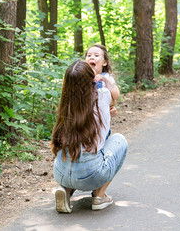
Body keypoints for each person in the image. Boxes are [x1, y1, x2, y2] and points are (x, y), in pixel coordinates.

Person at [51, 60, 128, 213]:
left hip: (60, 172)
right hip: (90, 174)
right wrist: (104, 79)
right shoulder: (103, 95)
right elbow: (114, 98)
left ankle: (65, 191)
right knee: (120, 140)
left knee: (74, 150)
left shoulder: (66, 103)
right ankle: (99, 196)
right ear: (91, 79)